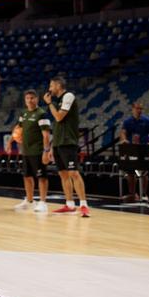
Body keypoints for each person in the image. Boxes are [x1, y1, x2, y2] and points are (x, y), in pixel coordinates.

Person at [44, 74, 89, 217]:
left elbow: (58, 117)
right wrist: (52, 146)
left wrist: (49, 103)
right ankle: (70, 204)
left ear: (58, 85)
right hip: (58, 142)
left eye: (51, 86)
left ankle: (83, 205)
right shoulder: (58, 102)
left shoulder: (68, 96)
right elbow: (57, 125)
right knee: (63, 174)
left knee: (73, 173)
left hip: (68, 142)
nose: (50, 89)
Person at [11, 91, 51, 213]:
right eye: (27, 98)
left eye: (32, 98)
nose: (29, 100)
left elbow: (46, 135)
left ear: (37, 99)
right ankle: (29, 201)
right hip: (26, 151)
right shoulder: (23, 113)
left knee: (41, 177)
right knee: (27, 176)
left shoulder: (42, 114)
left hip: (38, 150)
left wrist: (46, 151)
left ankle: (43, 203)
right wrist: (10, 141)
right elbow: (18, 128)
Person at [119, 102, 149, 202]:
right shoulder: (127, 122)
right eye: (137, 108)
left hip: (144, 149)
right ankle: (132, 194)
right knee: (130, 172)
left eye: (141, 109)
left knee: (144, 172)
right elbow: (123, 133)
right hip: (131, 149)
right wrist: (124, 140)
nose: (139, 111)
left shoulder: (147, 120)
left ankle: (144, 194)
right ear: (133, 109)